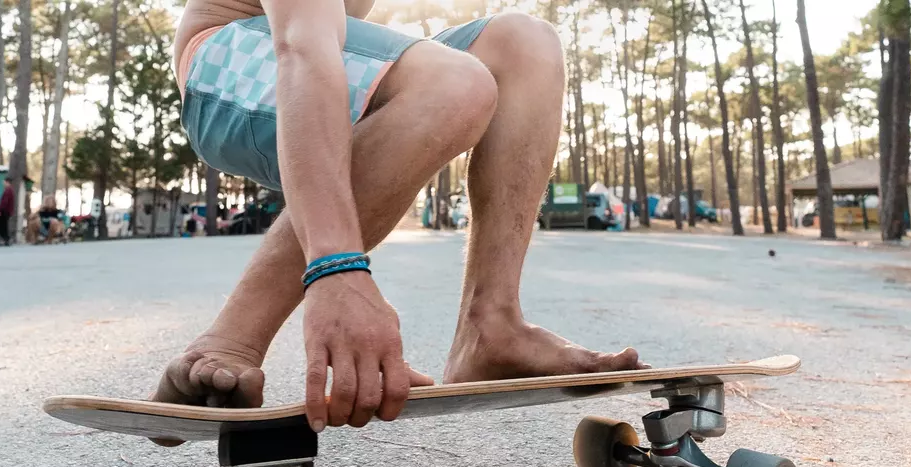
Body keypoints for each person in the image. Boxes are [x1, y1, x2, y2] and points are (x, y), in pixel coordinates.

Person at [156, 0, 644, 438]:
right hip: (226, 66)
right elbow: (304, 43)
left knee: (525, 42)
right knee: (455, 83)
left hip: (327, 48)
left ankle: (491, 326)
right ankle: (230, 341)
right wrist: (337, 268)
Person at [0, 180, 16, 246]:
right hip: (7, 211)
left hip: (4, 211)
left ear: (8, 182)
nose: (3, 184)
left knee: (1, 226)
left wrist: (0, 210)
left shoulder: (8, 191)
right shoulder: (10, 190)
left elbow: (4, 202)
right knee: (4, 226)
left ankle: (6, 239)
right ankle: (6, 239)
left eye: (4, 182)